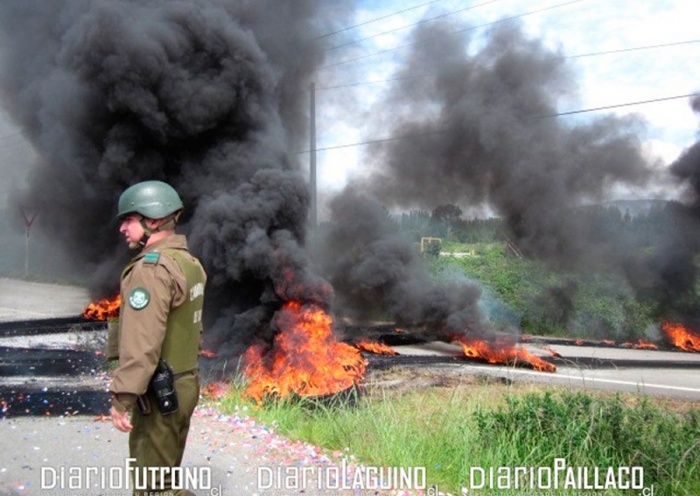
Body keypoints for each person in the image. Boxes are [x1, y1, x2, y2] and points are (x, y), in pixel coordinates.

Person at [108, 180, 207, 496]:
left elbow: (143, 343)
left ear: (152, 220)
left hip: (159, 392)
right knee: (164, 480)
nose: (123, 227)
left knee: (153, 489)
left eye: (129, 219)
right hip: (184, 384)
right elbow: (194, 330)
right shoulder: (189, 264)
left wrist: (122, 398)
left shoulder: (151, 270)